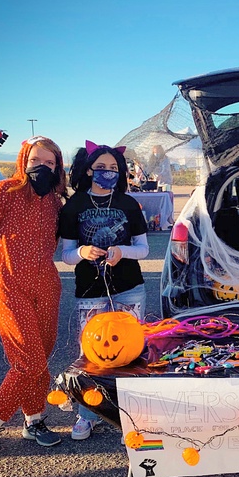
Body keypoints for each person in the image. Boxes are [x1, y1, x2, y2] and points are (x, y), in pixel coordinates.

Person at [0, 136, 68, 450]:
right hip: (10, 287)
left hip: (47, 286)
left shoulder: (54, 200)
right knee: (28, 361)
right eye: (36, 161)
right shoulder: (3, 192)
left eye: (50, 163)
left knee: (41, 357)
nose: (43, 167)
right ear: (24, 160)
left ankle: (34, 420)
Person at [59, 140, 149, 440]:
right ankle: (88, 414)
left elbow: (144, 249)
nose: (107, 173)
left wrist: (122, 251)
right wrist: (83, 252)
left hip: (129, 289)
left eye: (113, 168)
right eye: (101, 168)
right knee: (92, 354)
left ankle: (132, 417)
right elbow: (66, 255)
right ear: (88, 170)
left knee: (132, 353)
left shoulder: (128, 204)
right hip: (90, 291)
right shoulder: (74, 206)